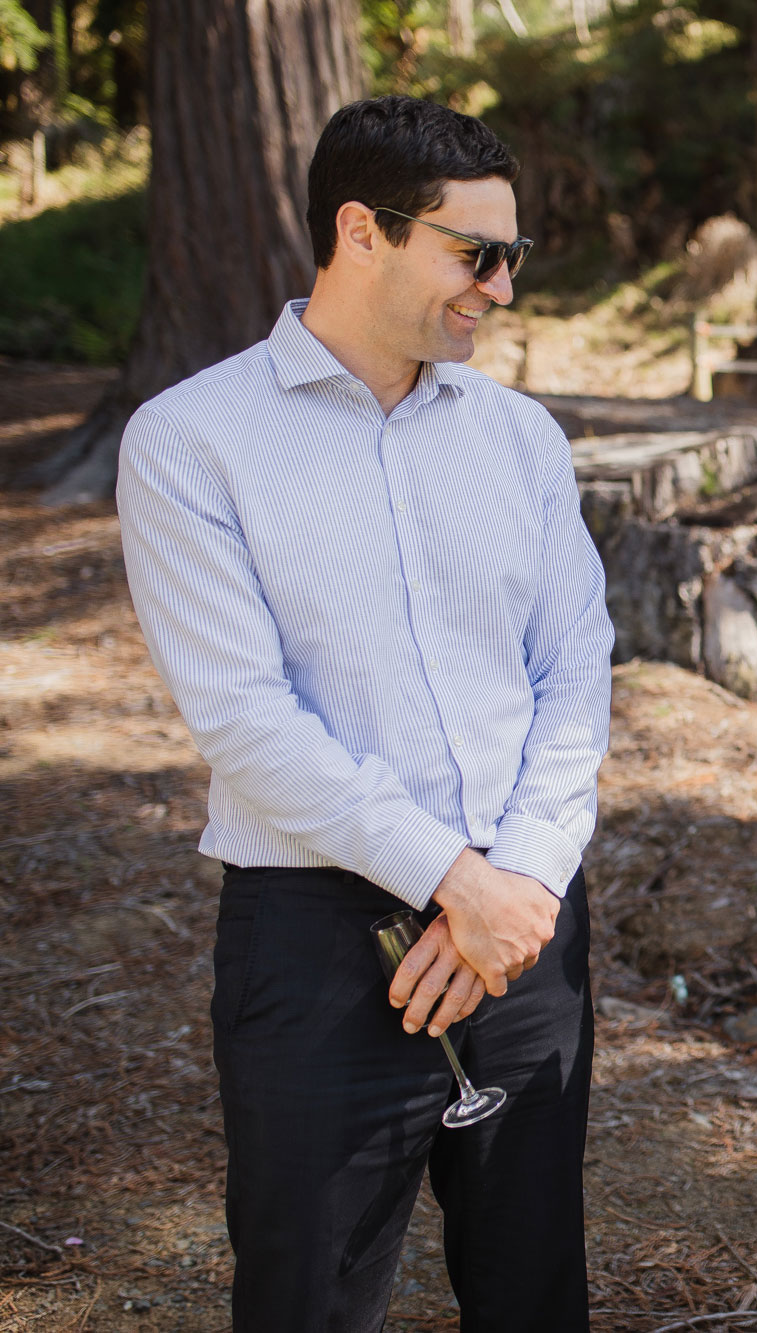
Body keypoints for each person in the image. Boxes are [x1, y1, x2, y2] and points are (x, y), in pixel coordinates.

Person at [116, 96, 612, 1332]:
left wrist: (518, 883)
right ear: (361, 232)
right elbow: (244, 721)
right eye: (474, 253)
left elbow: (575, 672)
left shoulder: (522, 438)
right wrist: (455, 878)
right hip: (318, 942)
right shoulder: (189, 440)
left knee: (533, 1288)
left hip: (527, 922)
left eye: (513, 257)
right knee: (306, 1299)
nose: (501, 287)